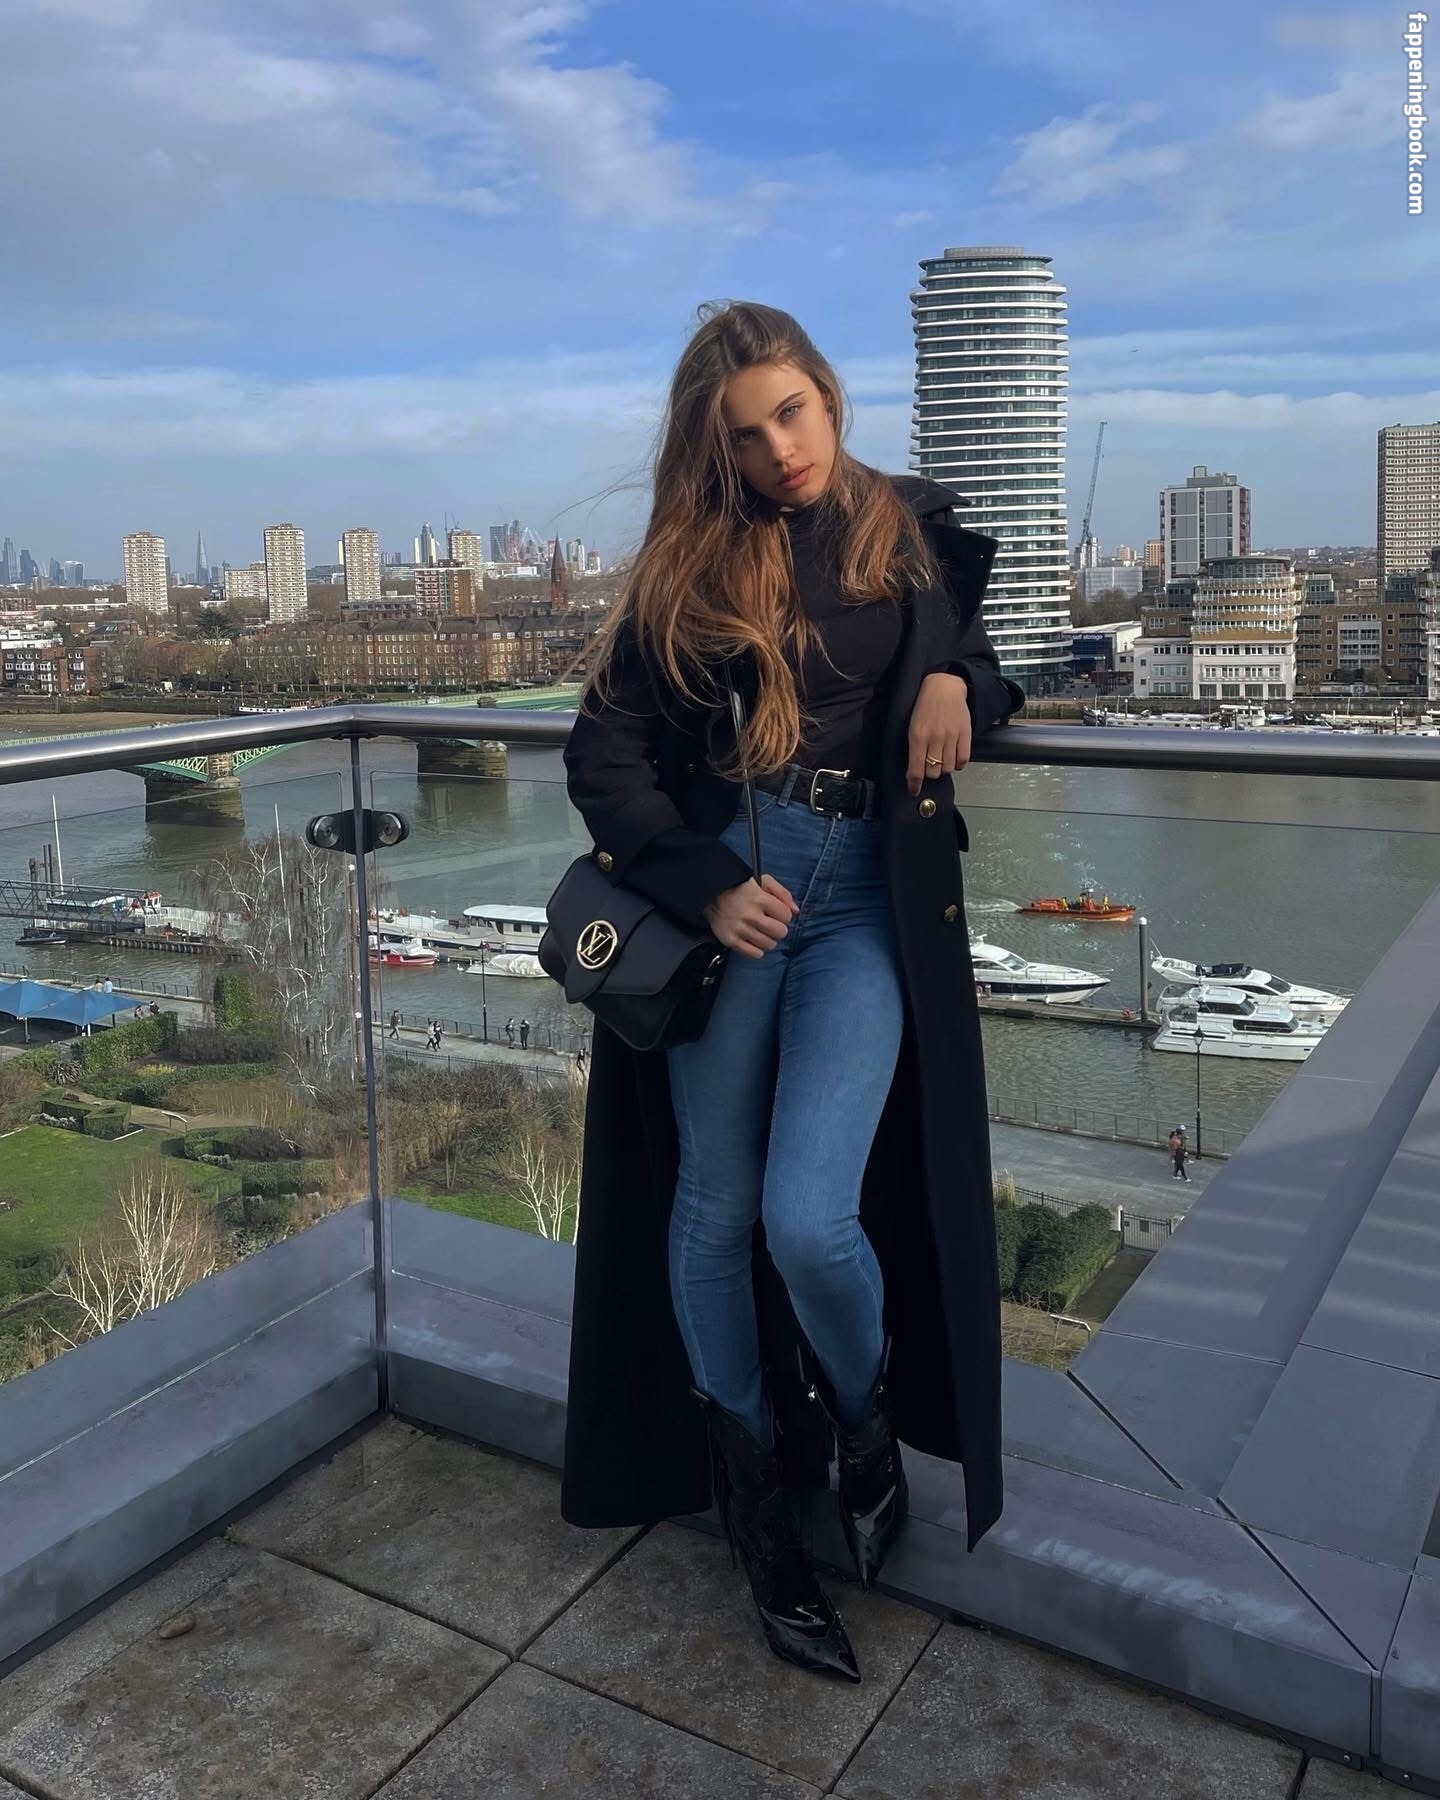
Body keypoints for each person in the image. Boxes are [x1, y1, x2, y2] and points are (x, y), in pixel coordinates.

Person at [558, 302, 1023, 1685]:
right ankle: (759, 1508)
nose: (779, 451)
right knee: (715, 1204)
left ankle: (864, 1425)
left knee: (810, 1219)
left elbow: (983, 667)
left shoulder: (906, 528)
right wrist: (705, 885)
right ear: (716, 449)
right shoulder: (690, 564)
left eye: (792, 413)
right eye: (747, 435)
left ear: (827, 393)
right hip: (747, 902)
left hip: (869, 904)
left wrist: (955, 682)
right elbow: (603, 758)